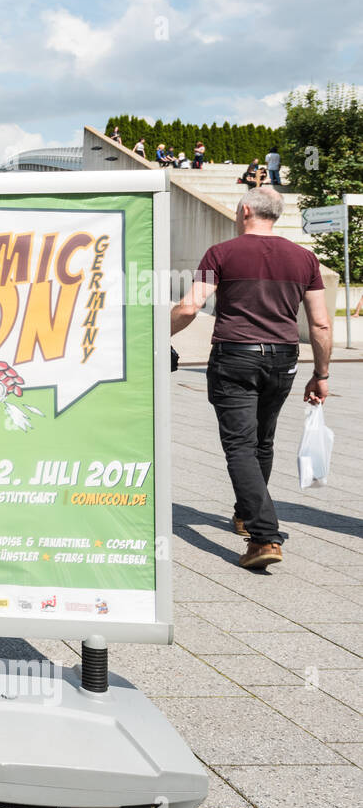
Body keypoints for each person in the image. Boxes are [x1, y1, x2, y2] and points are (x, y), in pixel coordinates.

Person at [170, 186, 329, 570]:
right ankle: (245, 514)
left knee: (240, 445)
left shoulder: (221, 253)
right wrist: (321, 374)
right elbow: (321, 324)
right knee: (262, 439)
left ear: (244, 210)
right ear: (275, 214)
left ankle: (264, 537)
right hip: (284, 359)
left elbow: (191, 304)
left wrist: (158, 338)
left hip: (235, 356)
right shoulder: (305, 258)